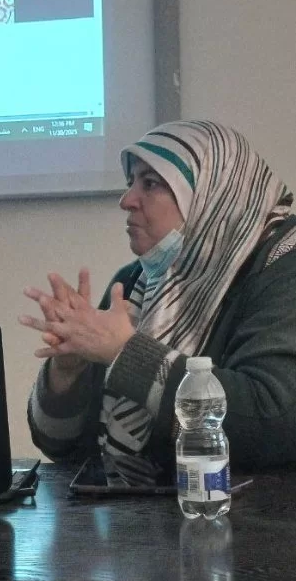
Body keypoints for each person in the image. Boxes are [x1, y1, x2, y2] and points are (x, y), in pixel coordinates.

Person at [21, 119, 296, 483]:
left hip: (257, 513)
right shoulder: (134, 281)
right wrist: (67, 374)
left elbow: (272, 422)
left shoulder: (283, 265)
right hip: (143, 513)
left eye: (150, 183)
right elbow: (62, 449)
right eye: (130, 182)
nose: (126, 200)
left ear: (213, 194)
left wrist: (126, 353)